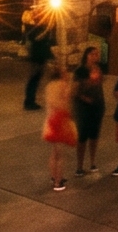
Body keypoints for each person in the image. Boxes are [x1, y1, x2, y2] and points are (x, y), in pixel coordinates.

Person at [42, 57, 77, 190]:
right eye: (66, 72)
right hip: (60, 120)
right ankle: (58, 181)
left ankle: (54, 176)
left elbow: (50, 103)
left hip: (50, 120)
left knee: (54, 152)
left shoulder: (49, 86)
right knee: (60, 154)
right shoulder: (63, 85)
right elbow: (66, 104)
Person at [72, 52, 107, 175]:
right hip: (83, 108)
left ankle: (93, 163)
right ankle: (79, 166)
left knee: (94, 135)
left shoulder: (98, 69)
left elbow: (100, 85)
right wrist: (88, 85)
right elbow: (75, 91)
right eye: (93, 54)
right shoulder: (80, 71)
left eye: (97, 54)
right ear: (86, 55)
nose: (96, 56)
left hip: (97, 106)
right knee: (82, 136)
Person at [22, 16, 55, 110]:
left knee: (35, 80)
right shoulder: (34, 29)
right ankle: (29, 102)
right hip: (36, 58)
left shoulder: (41, 28)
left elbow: (47, 42)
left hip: (40, 57)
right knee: (33, 80)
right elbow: (37, 38)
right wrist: (47, 29)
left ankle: (30, 101)